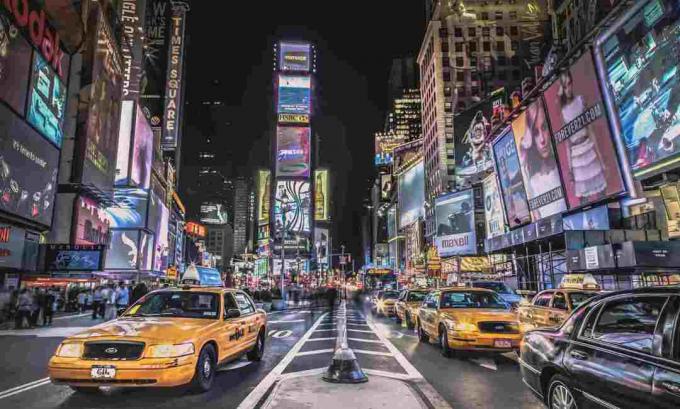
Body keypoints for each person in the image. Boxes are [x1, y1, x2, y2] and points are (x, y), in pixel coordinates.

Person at [557, 70, 608, 205]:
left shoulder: (580, 100)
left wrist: (601, 160)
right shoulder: (563, 112)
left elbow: (590, 130)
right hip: (576, 156)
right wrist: (570, 171)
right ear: (561, 88)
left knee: (602, 193)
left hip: (588, 148)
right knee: (583, 201)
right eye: (564, 85)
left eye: (569, 83)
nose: (568, 88)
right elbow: (567, 144)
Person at [518, 102, 566, 219]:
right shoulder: (532, 179)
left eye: (544, 128)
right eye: (535, 132)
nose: (542, 140)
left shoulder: (563, 163)